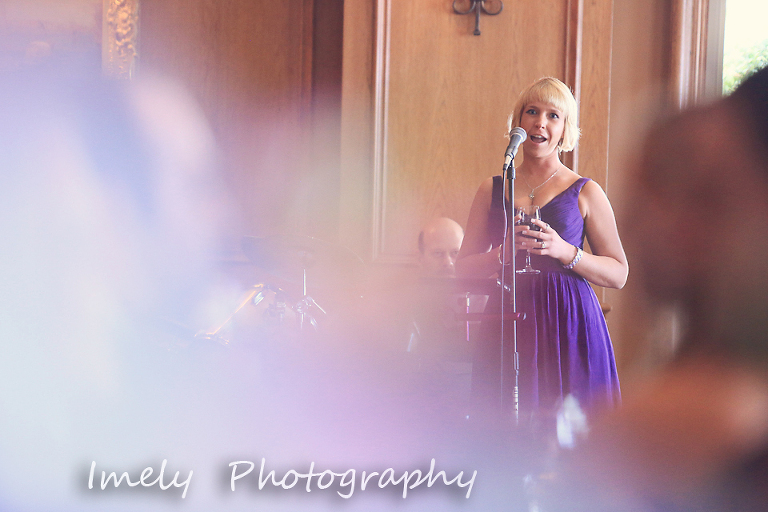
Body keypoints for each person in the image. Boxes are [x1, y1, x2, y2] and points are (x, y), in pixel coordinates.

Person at [547, 66, 768, 512]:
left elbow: (618, 270)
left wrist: (565, 252)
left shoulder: (688, 418)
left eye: (707, 198)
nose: (644, 219)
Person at [456, 77, 628, 422]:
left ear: (564, 130)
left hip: (569, 320)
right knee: (503, 425)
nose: (540, 123)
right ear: (518, 122)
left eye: (553, 116)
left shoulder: (586, 191)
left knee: (570, 427)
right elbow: (462, 269)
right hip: (507, 318)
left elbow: (619, 273)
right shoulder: (491, 189)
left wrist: (566, 251)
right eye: (532, 112)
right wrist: (501, 254)